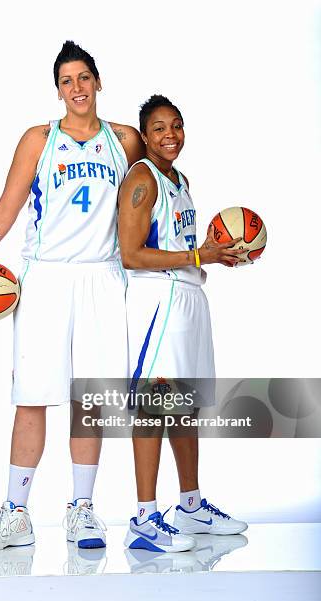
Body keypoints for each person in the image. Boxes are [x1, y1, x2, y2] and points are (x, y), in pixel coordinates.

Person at [0, 41, 144, 552]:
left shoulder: (125, 141)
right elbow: (8, 207)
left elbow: (154, 201)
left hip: (103, 277)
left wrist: (199, 253)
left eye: (84, 78)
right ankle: (16, 513)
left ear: (98, 82)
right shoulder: (40, 139)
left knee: (89, 402)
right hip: (47, 278)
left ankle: (82, 510)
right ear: (57, 91)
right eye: (66, 81)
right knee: (31, 397)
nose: (76, 88)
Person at [118, 95, 248, 553]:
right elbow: (131, 254)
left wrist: (216, 255)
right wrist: (196, 256)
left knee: (186, 404)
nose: (170, 134)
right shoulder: (142, 178)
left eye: (176, 125)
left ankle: (189, 506)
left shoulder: (180, 179)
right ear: (144, 135)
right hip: (160, 301)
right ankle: (144, 518)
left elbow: (181, 242)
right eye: (159, 128)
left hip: (191, 295)